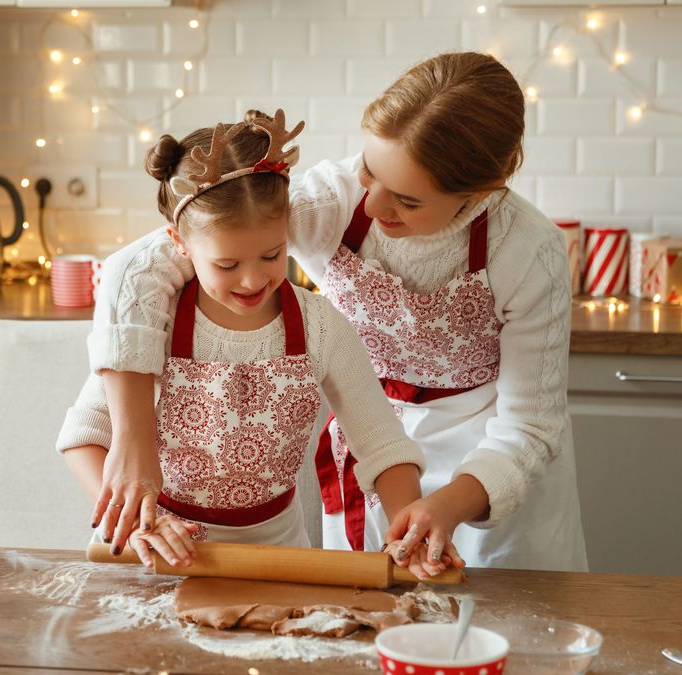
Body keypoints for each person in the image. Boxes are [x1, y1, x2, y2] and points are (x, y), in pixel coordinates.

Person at [86, 52, 587, 573]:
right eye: (370, 171)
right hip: (379, 464)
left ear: (482, 190)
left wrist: (446, 506)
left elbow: (529, 426)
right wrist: (133, 444)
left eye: (408, 201)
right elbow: (145, 262)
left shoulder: (527, 250)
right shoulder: (331, 201)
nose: (370, 206)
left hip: (490, 467)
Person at [56, 110, 457, 578]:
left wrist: (408, 524)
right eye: (226, 265)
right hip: (156, 556)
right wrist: (137, 522)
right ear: (179, 245)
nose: (252, 279)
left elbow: (382, 445)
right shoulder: (152, 322)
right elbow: (84, 436)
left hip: (277, 557)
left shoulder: (320, 326)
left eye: (271, 255)